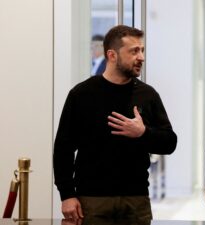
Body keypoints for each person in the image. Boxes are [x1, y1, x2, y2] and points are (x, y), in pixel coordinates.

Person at [53, 25, 177, 224]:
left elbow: (170, 142)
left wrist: (143, 133)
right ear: (112, 55)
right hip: (92, 200)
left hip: (136, 200)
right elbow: (63, 148)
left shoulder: (148, 95)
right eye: (134, 51)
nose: (141, 57)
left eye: (142, 50)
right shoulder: (82, 94)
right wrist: (67, 195)